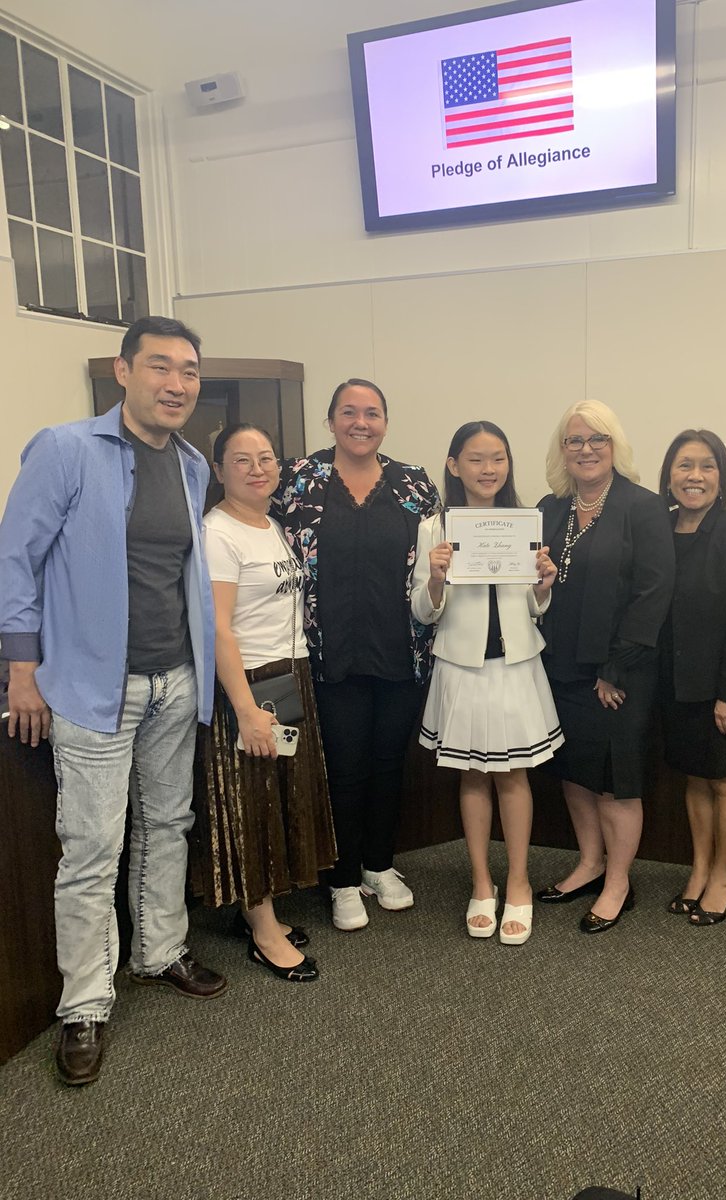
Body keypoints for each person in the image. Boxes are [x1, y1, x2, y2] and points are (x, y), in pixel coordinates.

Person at [0, 316, 224, 1087]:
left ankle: (158, 951)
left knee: (169, 823)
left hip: (176, 680)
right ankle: (84, 1005)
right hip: (95, 685)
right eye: (160, 366)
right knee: (92, 846)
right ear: (123, 373)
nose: (176, 383)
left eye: (189, 370)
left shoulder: (193, 465)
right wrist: (20, 669)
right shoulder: (65, 449)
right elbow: (15, 560)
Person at [276, 379, 440, 931]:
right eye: (349, 412)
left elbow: (437, 564)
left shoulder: (414, 485)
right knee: (344, 768)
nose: (361, 422)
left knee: (389, 765)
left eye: (372, 413)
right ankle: (343, 879)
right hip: (330, 655)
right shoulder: (299, 480)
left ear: (386, 423)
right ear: (330, 421)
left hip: (402, 652)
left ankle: (379, 866)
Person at [193, 423, 335, 982]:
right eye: (243, 460)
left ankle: (257, 908)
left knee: (276, 794)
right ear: (220, 471)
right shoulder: (218, 533)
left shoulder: (271, 525)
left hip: (288, 677)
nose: (259, 468)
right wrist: (246, 709)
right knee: (248, 802)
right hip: (248, 685)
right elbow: (219, 631)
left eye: (267, 458)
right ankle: (264, 930)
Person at [411, 421, 562, 945]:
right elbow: (423, 612)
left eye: (498, 458)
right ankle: (481, 882)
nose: (489, 469)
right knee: (472, 776)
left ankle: (518, 881)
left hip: (516, 664)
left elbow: (535, 608)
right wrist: (434, 578)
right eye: (476, 459)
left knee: (515, 775)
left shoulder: (525, 523)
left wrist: (543, 587)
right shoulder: (436, 527)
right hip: (462, 665)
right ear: (454, 466)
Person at [535, 402, 674, 932]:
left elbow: (655, 593)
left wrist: (615, 667)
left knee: (617, 781)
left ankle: (618, 882)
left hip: (619, 673)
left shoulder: (642, 508)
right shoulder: (550, 508)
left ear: (615, 447)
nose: (586, 449)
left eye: (598, 439)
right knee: (575, 773)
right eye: (575, 441)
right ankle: (590, 864)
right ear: (562, 450)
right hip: (559, 667)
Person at [657, 430, 726, 925]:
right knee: (695, 779)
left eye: (706, 466)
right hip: (675, 682)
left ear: (722, 476)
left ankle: (725, 873)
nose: (694, 476)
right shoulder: (658, 529)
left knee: (725, 780)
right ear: (669, 476)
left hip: (724, 688)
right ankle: (699, 870)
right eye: (684, 466)